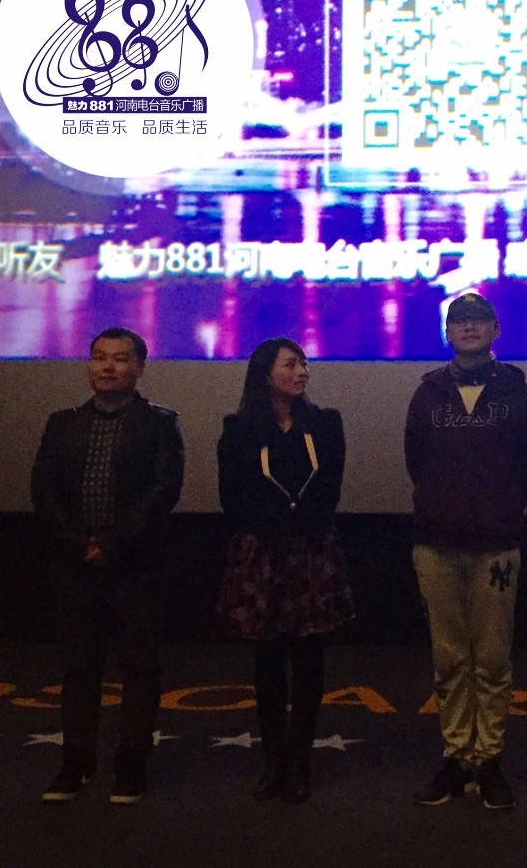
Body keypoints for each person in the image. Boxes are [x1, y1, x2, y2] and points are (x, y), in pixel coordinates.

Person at [404, 292, 527, 810]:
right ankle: (455, 757)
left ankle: (488, 760)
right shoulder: (428, 394)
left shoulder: (517, 393)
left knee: (491, 658)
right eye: (459, 321)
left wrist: (499, 510)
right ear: (447, 333)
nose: (468, 327)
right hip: (436, 544)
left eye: (478, 320)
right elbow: (415, 461)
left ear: (495, 330)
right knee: (448, 658)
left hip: (496, 545)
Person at [31, 326, 185, 805]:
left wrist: (112, 545)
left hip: (138, 567)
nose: (108, 367)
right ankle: (75, 765)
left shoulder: (160, 425)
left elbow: (163, 491)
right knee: (79, 670)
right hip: (76, 567)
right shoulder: (63, 424)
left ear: (139, 367)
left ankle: (130, 767)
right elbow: (44, 490)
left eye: (120, 359)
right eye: (99, 357)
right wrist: (82, 544)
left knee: (140, 670)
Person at [217, 337, 353, 803]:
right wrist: (271, 532)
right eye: (291, 364)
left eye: (304, 364)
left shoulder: (325, 423)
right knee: (269, 661)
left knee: (310, 659)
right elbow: (232, 496)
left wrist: (301, 529)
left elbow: (330, 489)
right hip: (263, 554)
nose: (302, 372)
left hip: (311, 551)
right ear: (266, 372)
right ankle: (273, 759)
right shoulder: (240, 429)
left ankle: (300, 760)